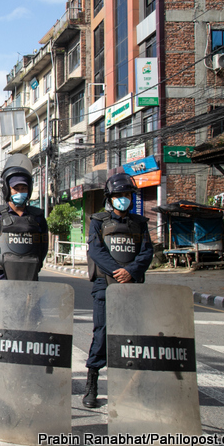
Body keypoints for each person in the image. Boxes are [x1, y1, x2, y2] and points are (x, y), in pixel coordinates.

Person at [82, 173, 154, 408]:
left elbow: (146, 252)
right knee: (101, 333)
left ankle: (130, 386)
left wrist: (131, 271)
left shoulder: (140, 224)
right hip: (105, 284)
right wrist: (117, 272)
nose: (123, 199)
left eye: (127, 195)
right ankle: (92, 383)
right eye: (118, 195)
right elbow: (96, 251)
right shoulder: (98, 221)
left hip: (132, 285)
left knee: (132, 335)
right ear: (109, 198)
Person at [0, 154, 48, 281]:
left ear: (29, 190)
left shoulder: (37, 218)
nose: (20, 192)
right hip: (2, 279)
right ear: (8, 190)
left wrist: (34, 267)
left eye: (23, 188)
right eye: (16, 189)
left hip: (29, 279)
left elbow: (43, 248)